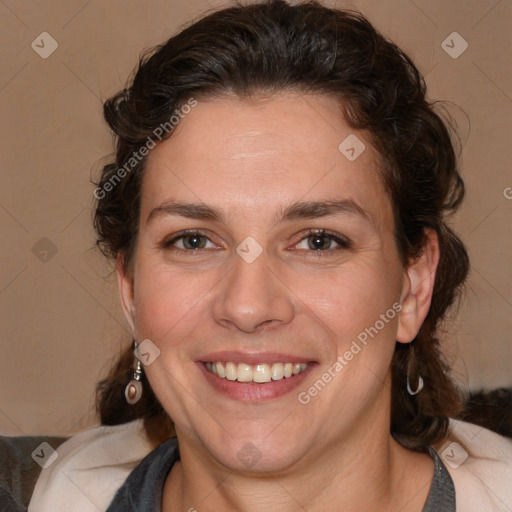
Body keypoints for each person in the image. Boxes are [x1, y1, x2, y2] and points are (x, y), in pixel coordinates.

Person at [28, 0, 512, 510]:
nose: (248, 306)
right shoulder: (69, 494)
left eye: (319, 241)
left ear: (412, 287)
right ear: (129, 289)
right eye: (193, 240)